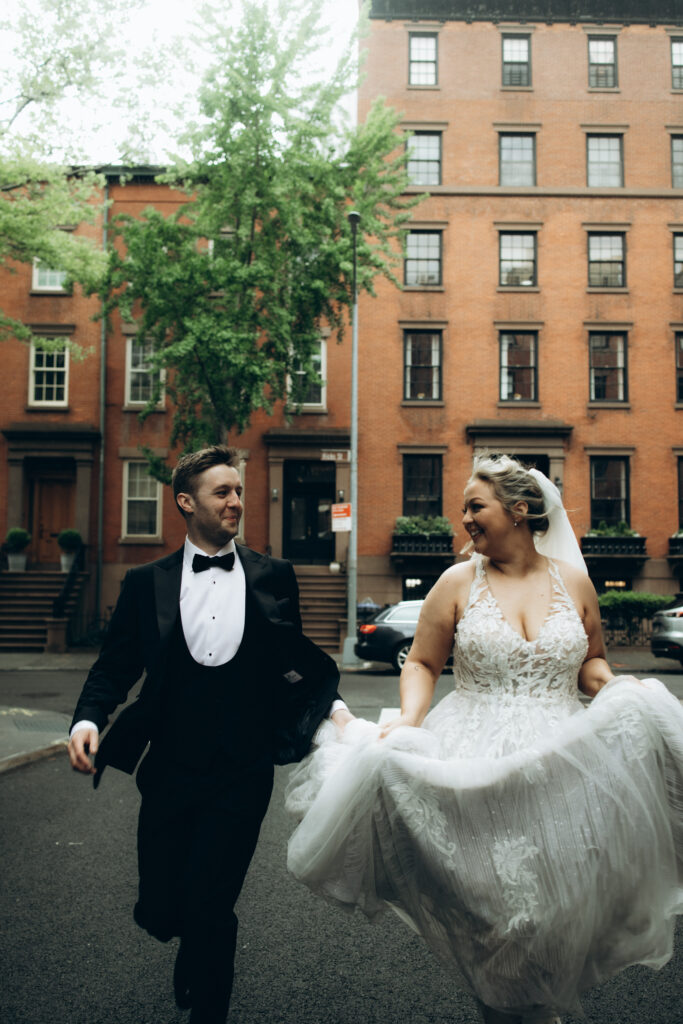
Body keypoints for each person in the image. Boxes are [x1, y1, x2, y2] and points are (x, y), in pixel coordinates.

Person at [286, 454, 683, 1024]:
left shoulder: (574, 581)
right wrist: (409, 718)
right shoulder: (456, 581)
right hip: (475, 754)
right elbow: (422, 661)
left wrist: (620, 691)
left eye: (476, 506)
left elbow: (591, 662)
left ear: (519, 511)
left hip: (561, 760)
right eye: (463, 508)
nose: (465, 519)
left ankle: (535, 1007)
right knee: (495, 915)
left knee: (552, 904)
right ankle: (507, 1008)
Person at [68, 444, 351, 1024]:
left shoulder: (275, 576)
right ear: (185, 502)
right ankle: (186, 940)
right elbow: (115, 666)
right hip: (169, 767)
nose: (236, 502)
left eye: (239, 491)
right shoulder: (146, 582)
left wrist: (334, 712)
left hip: (242, 772)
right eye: (223, 492)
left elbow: (291, 666)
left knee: (214, 903)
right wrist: (88, 718)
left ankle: (209, 1006)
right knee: (163, 906)